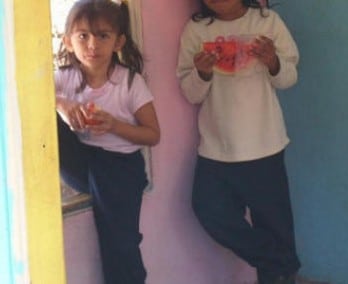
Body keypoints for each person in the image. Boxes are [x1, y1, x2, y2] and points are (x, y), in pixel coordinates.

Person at [177, 1, 301, 283]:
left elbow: (289, 77)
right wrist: (203, 72)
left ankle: (281, 271)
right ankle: (283, 260)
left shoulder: (267, 22)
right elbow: (191, 92)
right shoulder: (196, 29)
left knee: (275, 225)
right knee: (209, 210)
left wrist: (272, 61)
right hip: (216, 149)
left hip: (265, 145)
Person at [54, 0, 160, 283]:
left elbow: (153, 135)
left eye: (102, 35)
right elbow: (32, 96)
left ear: (118, 41)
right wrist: (62, 104)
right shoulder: (64, 78)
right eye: (82, 36)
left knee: (120, 244)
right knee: (42, 108)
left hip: (121, 167)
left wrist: (115, 125)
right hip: (84, 163)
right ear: (68, 41)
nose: (92, 45)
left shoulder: (128, 82)